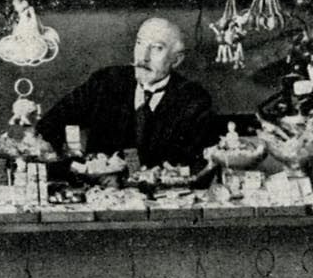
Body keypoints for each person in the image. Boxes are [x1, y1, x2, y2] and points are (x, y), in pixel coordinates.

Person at [37, 17, 214, 168]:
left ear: (176, 60)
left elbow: (190, 166)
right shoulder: (105, 82)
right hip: (98, 192)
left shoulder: (193, 100)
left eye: (157, 48)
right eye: (140, 43)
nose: (143, 57)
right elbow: (50, 124)